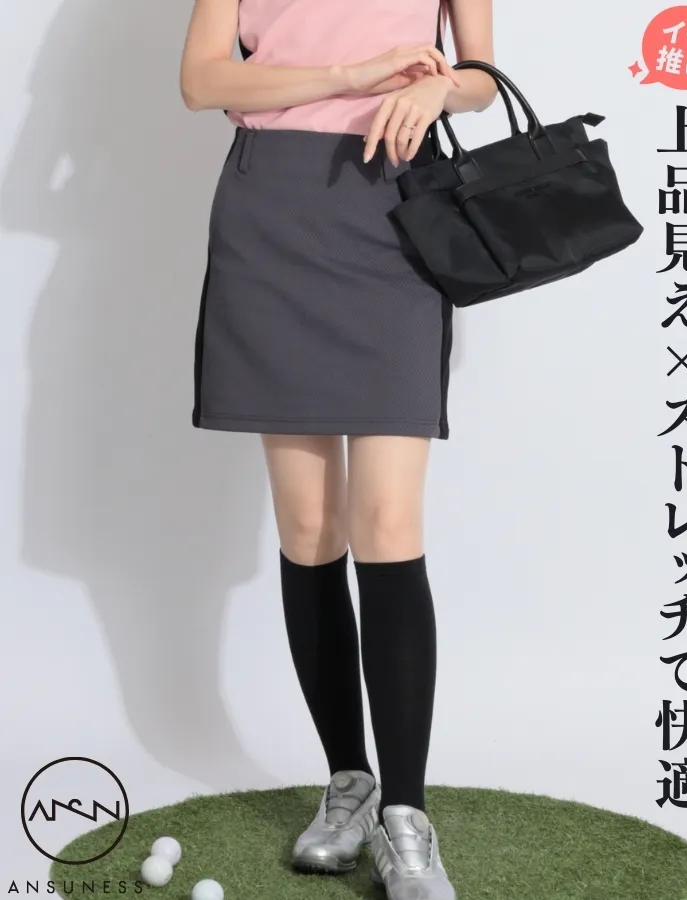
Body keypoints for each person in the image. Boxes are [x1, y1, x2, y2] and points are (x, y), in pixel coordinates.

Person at [179, 1, 496, 897]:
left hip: (396, 207)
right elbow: (201, 80)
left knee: (388, 522)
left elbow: (480, 74)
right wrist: (347, 76)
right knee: (310, 527)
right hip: (271, 215)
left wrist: (438, 90)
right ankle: (348, 782)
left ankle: (407, 817)